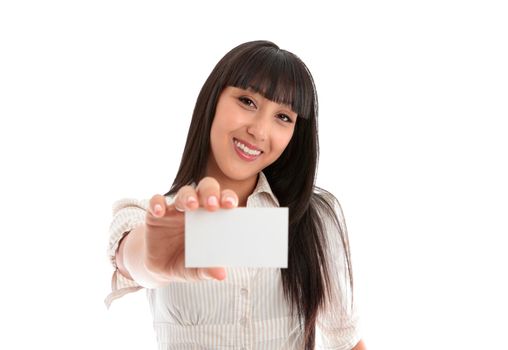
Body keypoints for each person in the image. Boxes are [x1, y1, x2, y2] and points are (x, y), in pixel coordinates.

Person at [105, 40, 365, 350]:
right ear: (213, 99)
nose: (259, 131)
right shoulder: (159, 217)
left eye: (283, 117)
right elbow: (132, 255)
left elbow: (345, 339)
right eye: (247, 101)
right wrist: (150, 257)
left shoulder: (315, 219)